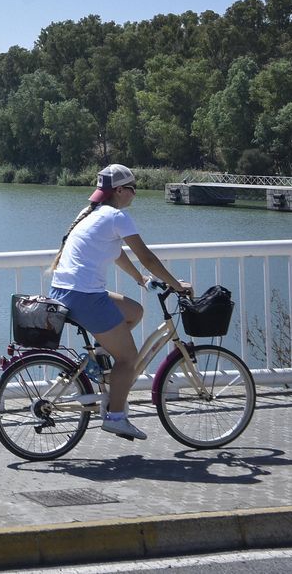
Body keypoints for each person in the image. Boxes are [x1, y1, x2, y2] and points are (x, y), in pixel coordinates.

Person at [48, 164, 192, 440]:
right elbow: (147, 256)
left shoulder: (91, 214)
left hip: (66, 291)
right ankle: (116, 416)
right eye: (133, 189)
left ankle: (101, 367)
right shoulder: (117, 217)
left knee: (134, 311)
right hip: (85, 297)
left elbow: (117, 253)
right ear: (120, 190)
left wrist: (142, 279)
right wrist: (177, 285)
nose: (135, 194)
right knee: (128, 357)